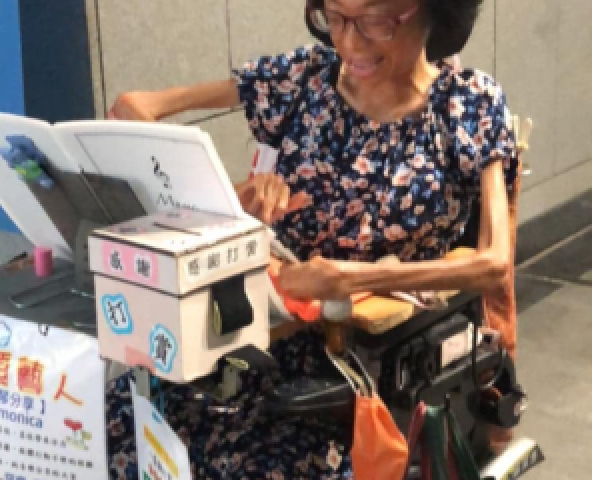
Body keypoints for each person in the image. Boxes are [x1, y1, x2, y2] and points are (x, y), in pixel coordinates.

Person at [105, 0, 518, 477]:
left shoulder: (467, 102)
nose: (349, 43)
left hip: (361, 363)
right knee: (120, 422)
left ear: (434, 12)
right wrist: (239, 197)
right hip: (266, 336)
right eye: (335, 17)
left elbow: (494, 263)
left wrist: (351, 278)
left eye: (375, 22)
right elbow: (148, 104)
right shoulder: (305, 78)